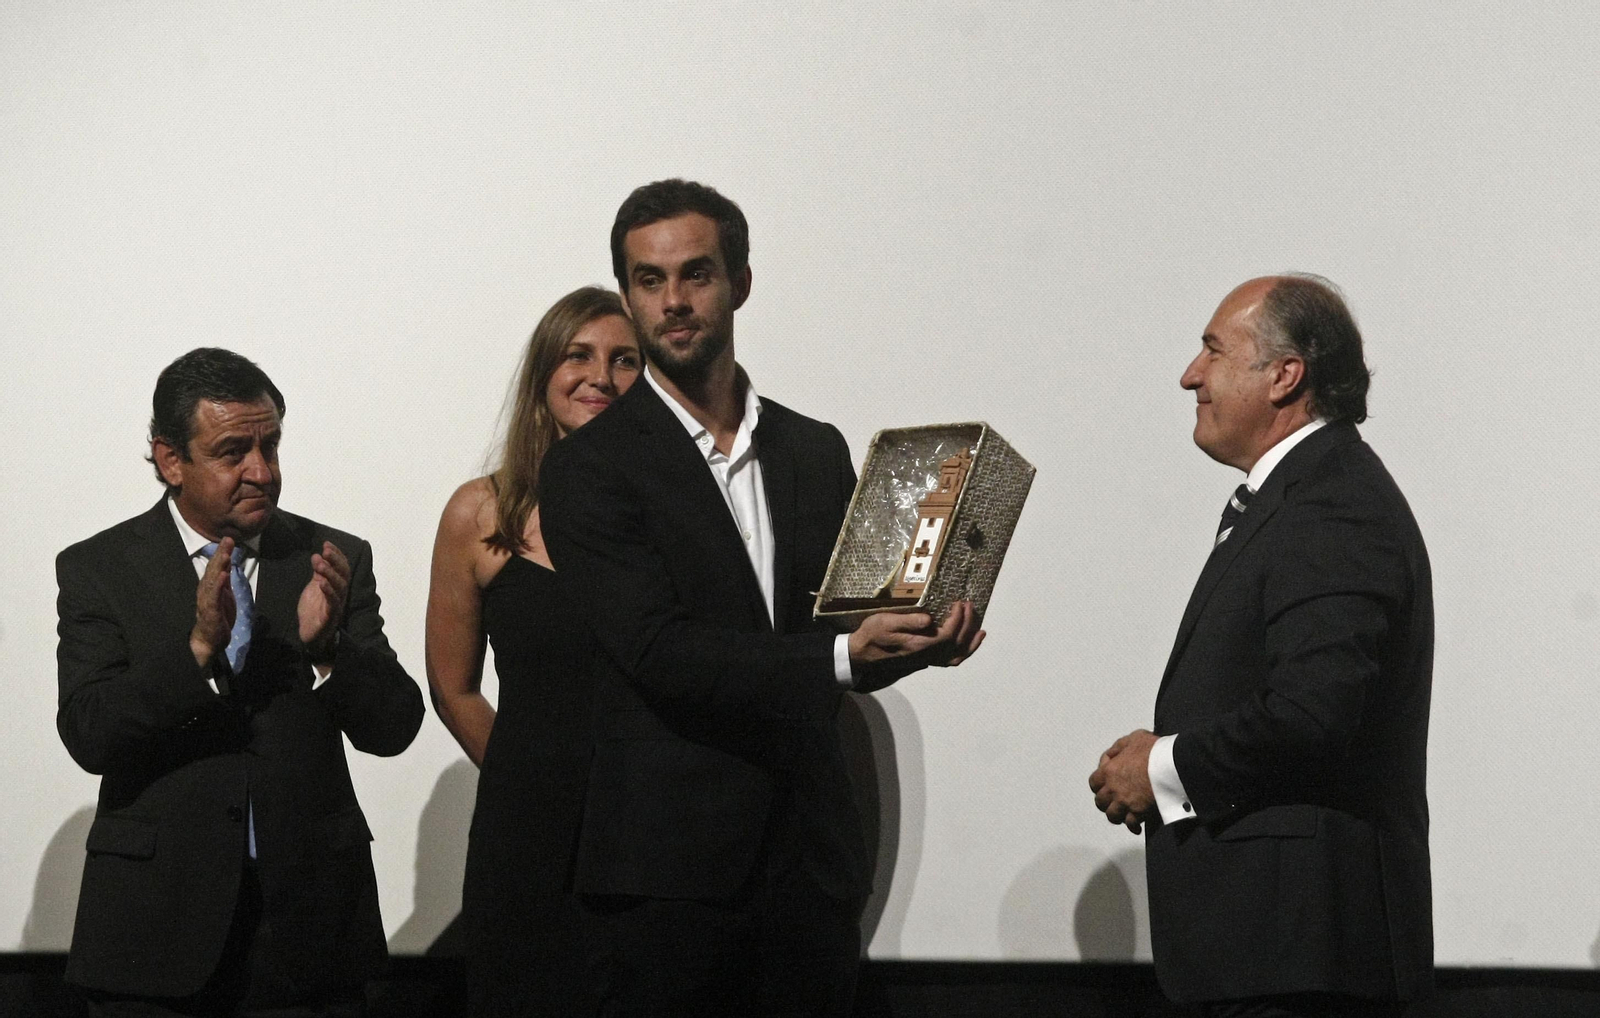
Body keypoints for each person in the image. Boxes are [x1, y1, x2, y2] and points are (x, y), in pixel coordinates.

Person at [536, 179, 985, 1017]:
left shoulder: (813, 449)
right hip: (668, 879)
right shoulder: (589, 467)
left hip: (810, 867)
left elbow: (837, 644)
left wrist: (919, 640)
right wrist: (848, 654)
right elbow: (657, 650)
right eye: (648, 280)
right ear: (628, 295)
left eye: (696, 274)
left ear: (741, 282)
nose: (673, 301)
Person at [1089, 275, 1433, 1017]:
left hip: (1298, 965)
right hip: (1271, 958)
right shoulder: (1303, 496)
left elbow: (1313, 715)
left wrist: (1162, 766)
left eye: (1213, 350)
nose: (1191, 375)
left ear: (1284, 375)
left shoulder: (1332, 504)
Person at [56, 347, 425, 1017]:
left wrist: (330, 651)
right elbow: (90, 732)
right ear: (171, 460)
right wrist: (197, 650)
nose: (263, 471)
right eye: (233, 452)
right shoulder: (100, 567)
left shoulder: (331, 558)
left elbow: (395, 727)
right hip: (154, 939)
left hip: (308, 938)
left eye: (271, 445)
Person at [426, 285, 642, 1016]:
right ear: (543, 374)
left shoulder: (673, 514)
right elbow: (452, 686)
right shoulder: (479, 512)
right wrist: (530, 774)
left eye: (625, 360)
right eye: (578, 356)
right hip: (526, 839)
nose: (600, 377)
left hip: (651, 831)